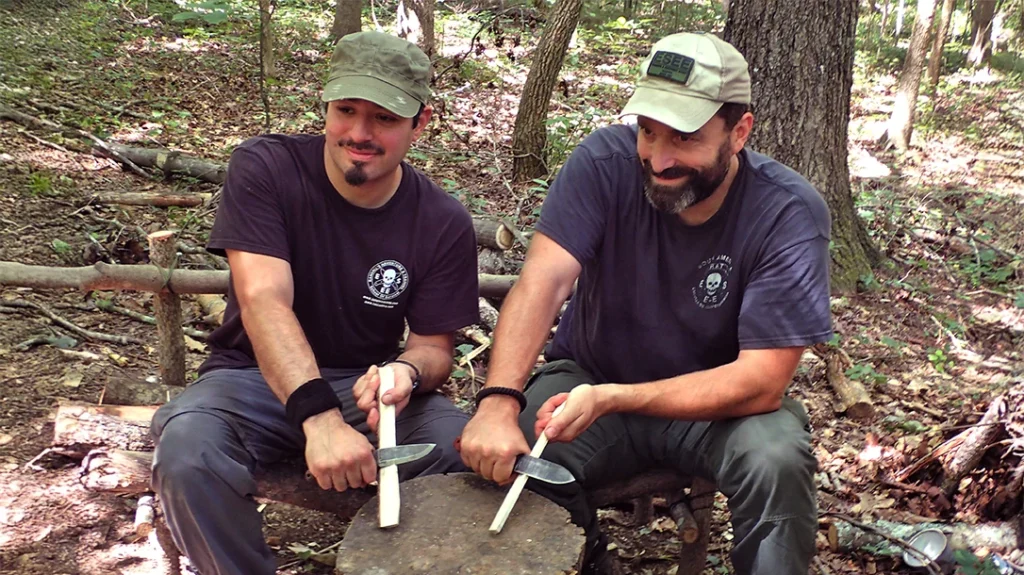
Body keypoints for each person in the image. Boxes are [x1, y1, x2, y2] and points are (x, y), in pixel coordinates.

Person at [459, 32, 831, 575]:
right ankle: (589, 562)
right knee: (515, 458)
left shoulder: (787, 213)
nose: (658, 158)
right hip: (590, 378)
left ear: (739, 131)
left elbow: (761, 381)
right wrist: (497, 401)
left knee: (776, 461)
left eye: (683, 137)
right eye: (648, 131)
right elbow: (542, 282)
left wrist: (616, 398)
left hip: (718, 407)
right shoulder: (604, 163)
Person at [150, 31, 480, 575]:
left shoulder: (442, 220)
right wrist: (319, 419)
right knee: (188, 453)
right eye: (346, 110)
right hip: (249, 378)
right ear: (325, 106)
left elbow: (433, 349)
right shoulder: (267, 168)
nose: (359, 133)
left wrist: (406, 372)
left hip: (361, 386)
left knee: (459, 451)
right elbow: (263, 300)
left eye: (384, 119)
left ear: (420, 124)